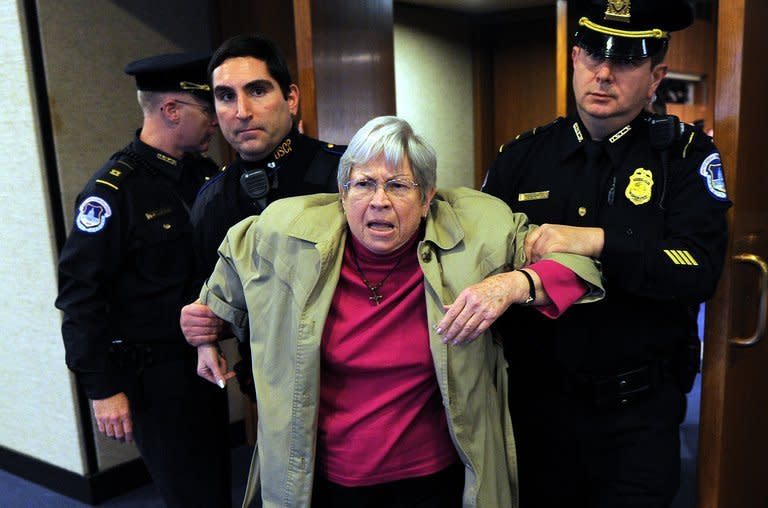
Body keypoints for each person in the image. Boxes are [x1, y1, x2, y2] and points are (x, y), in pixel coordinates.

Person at [181, 116, 605, 507]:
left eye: (399, 186)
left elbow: (578, 268)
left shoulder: (481, 228)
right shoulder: (286, 228)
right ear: (343, 193)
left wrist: (513, 284)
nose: (379, 201)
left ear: (427, 198)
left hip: (434, 477)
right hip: (320, 477)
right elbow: (234, 263)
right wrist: (205, 327)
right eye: (363, 184)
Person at [481, 1, 731, 506]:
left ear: (656, 75)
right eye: (593, 54)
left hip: (635, 416)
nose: (604, 72)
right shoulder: (523, 156)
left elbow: (698, 270)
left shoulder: (685, 157)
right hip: (534, 408)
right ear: (574, 57)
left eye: (626, 60)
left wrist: (599, 240)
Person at [55, 52, 231, 507]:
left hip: (204, 359)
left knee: (216, 479)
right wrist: (103, 388)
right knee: (189, 493)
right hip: (154, 375)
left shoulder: (204, 175)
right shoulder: (113, 192)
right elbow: (80, 294)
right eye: (208, 109)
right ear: (172, 110)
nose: (218, 120)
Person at [189, 33, 344, 396]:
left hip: (358, 381)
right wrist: (203, 327)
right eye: (226, 96)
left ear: (290, 98)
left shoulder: (349, 174)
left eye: (257, 91)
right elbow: (218, 302)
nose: (242, 111)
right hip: (272, 388)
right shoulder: (211, 202)